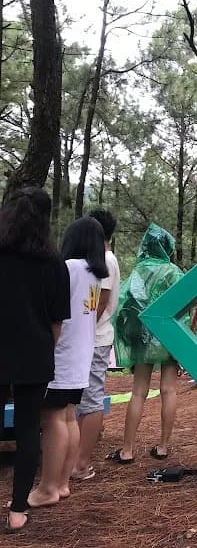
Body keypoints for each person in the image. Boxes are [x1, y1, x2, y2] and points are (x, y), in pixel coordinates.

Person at [0, 188, 70, 533]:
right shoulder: (54, 262)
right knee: (29, 431)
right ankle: (16, 511)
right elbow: (57, 322)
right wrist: (45, 349)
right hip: (34, 354)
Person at [28, 216, 108, 508]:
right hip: (80, 356)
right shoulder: (93, 274)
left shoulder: (68, 268)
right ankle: (61, 483)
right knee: (68, 417)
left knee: (52, 420)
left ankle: (47, 487)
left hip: (60, 355)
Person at [107, 223, 185, 464]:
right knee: (169, 390)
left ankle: (127, 450)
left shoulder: (139, 272)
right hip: (169, 337)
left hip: (142, 339)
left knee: (138, 392)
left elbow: (124, 304)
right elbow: (185, 307)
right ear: (167, 247)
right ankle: (163, 447)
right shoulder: (174, 272)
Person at [72, 209, 121, 481]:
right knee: (80, 400)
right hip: (87, 340)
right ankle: (74, 459)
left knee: (90, 400)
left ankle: (80, 463)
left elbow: (99, 303)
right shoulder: (93, 259)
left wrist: (83, 332)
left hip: (95, 340)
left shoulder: (106, 260)